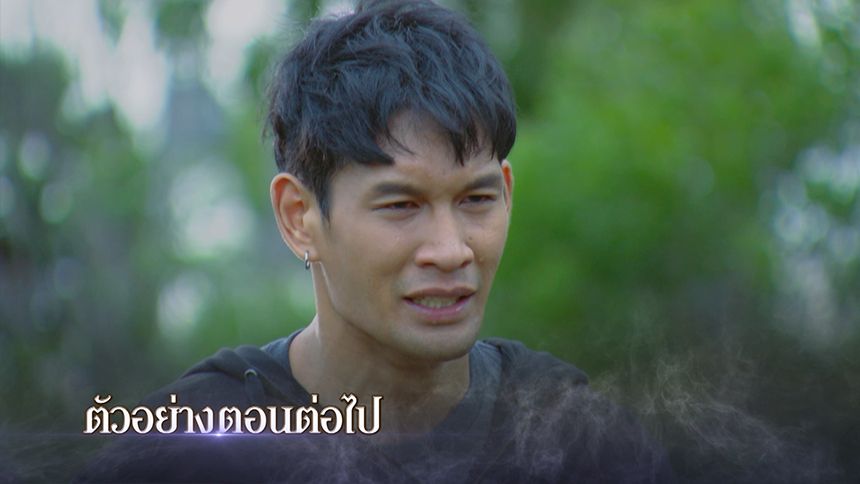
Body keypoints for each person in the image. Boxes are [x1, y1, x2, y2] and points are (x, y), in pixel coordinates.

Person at [76, 0, 673, 482]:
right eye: (401, 206)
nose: (451, 250)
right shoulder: (192, 447)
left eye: (476, 199)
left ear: (508, 194)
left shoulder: (576, 436)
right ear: (299, 217)